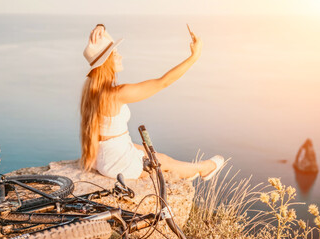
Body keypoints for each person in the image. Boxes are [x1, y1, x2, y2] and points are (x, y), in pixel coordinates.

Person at [80, 24, 224, 180]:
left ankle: (196, 170)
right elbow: (163, 82)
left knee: (161, 157)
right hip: (117, 161)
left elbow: (104, 53)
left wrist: (101, 28)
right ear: (107, 63)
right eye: (115, 54)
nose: (121, 56)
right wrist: (195, 56)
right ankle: (204, 169)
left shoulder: (92, 91)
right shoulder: (117, 94)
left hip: (104, 154)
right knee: (163, 165)